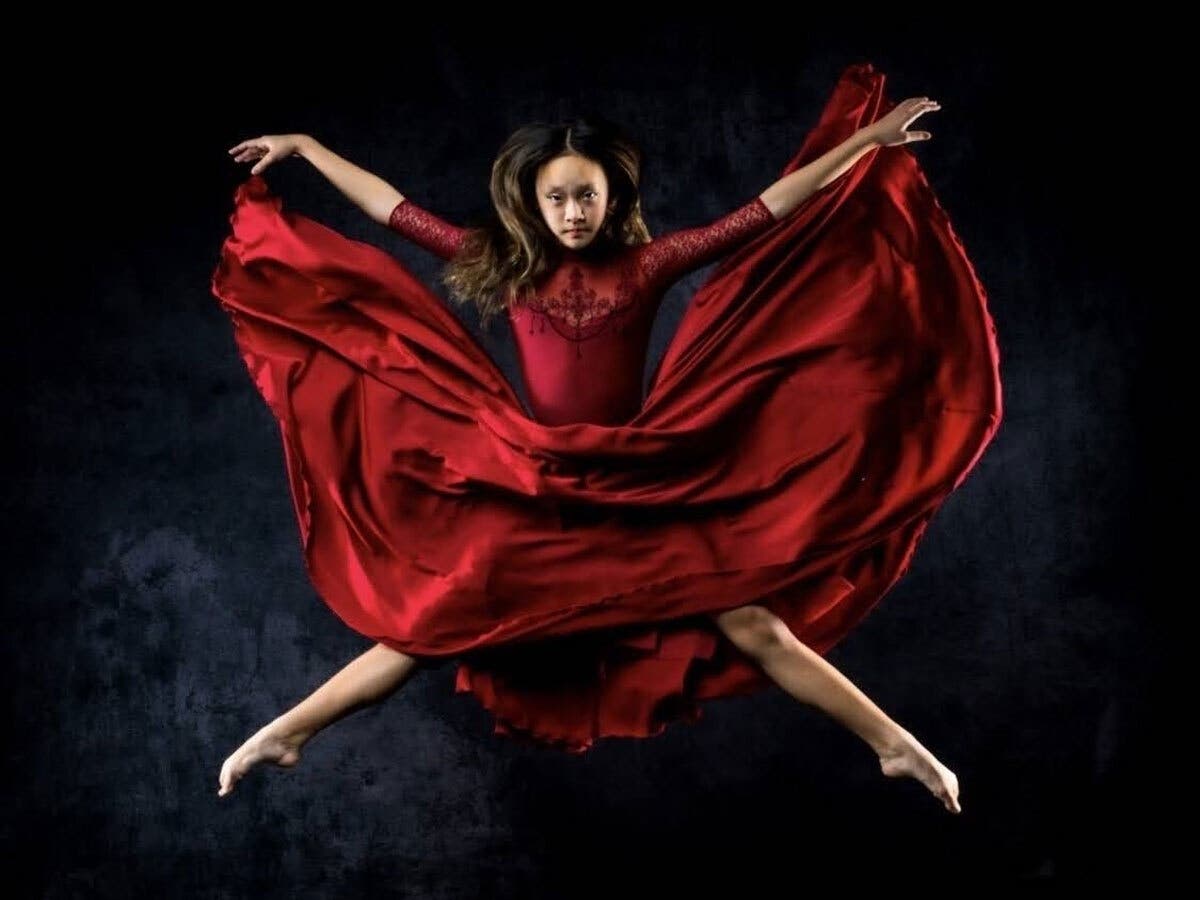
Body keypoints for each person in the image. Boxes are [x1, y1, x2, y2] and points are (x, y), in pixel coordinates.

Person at [213, 63, 1002, 814]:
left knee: (753, 622)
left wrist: (867, 142)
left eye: (585, 196)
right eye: (556, 199)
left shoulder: (650, 262)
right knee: (434, 622)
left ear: (611, 194)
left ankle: (894, 743)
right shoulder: (508, 266)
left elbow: (770, 207)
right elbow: (390, 209)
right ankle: (291, 731)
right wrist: (309, 150)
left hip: (641, 484)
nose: (572, 213)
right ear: (532, 202)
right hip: (537, 482)